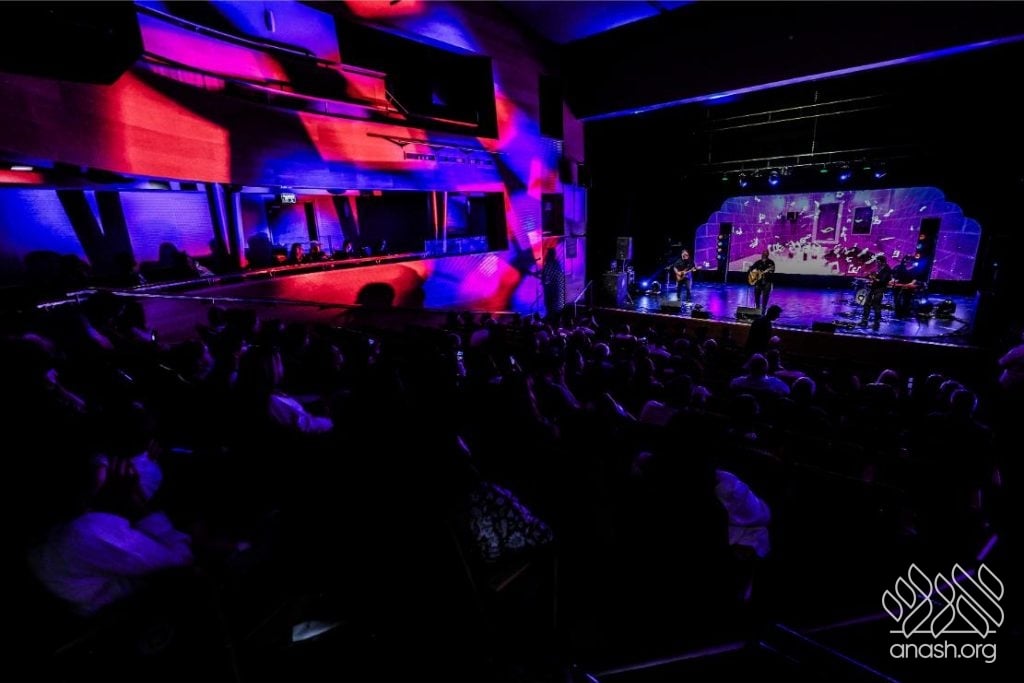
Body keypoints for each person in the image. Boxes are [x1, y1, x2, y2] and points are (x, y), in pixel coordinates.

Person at [860, 255, 892, 330]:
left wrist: (873, 277)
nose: (876, 263)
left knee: (876, 304)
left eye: (877, 261)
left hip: (880, 289)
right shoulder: (880, 268)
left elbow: (881, 281)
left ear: (882, 262)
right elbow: (877, 279)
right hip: (874, 288)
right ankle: (864, 319)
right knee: (867, 303)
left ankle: (877, 321)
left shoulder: (887, 269)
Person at [540, 247, 566, 323]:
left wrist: (544, 280)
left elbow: (547, 277)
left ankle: (552, 320)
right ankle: (554, 319)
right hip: (556, 291)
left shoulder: (550, 264)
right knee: (554, 307)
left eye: (547, 254)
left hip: (553, 291)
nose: (546, 255)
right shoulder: (556, 264)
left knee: (551, 306)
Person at [747, 249, 776, 315]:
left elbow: (772, 271)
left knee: (765, 297)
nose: (765, 254)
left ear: (768, 254)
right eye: (764, 253)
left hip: (767, 282)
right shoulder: (758, 262)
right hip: (758, 282)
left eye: (766, 253)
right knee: (757, 296)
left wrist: (765, 272)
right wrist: (751, 271)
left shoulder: (771, 262)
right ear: (762, 254)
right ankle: (757, 309)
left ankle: (763, 311)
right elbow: (752, 269)